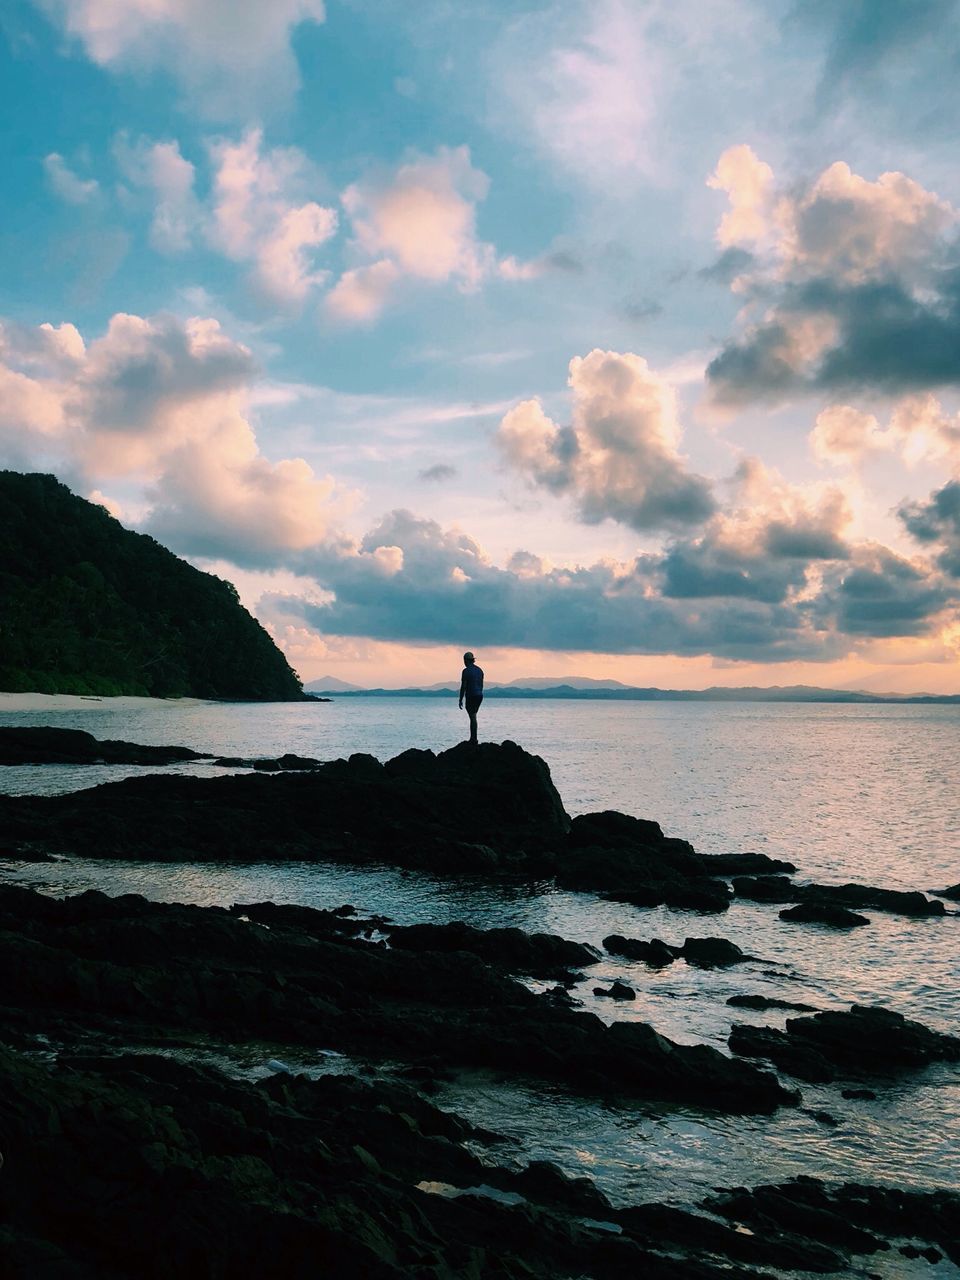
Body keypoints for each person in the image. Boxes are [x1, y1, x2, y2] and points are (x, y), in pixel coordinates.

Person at [458, 651, 484, 744]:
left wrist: (460, 699)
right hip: (479, 695)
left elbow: (463, 686)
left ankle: (474, 739)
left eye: (464, 660)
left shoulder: (466, 671)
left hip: (471, 696)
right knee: (474, 716)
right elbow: (481, 684)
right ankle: (473, 738)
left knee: (472, 717)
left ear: (466, 660)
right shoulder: (480, 670)